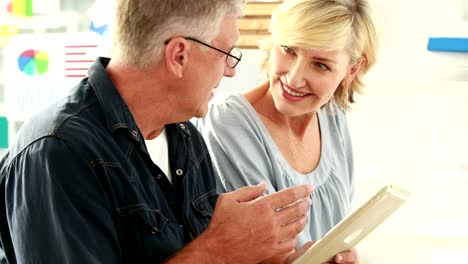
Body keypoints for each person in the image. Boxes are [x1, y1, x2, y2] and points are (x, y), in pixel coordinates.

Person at [0, 0, 315, 263]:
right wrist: (217, 250)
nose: (230, 70)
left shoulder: (187, 138)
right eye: (226, 54)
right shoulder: (58, 152)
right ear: (179, 56)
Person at [196, 0, 379, 263]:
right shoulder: (228, 120)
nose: (293, 78)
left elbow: (339, 228)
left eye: (320, 65)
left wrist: (343, 253)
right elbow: (267, 252)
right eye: (289, 50)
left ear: (352, 70)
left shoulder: (332, 113)